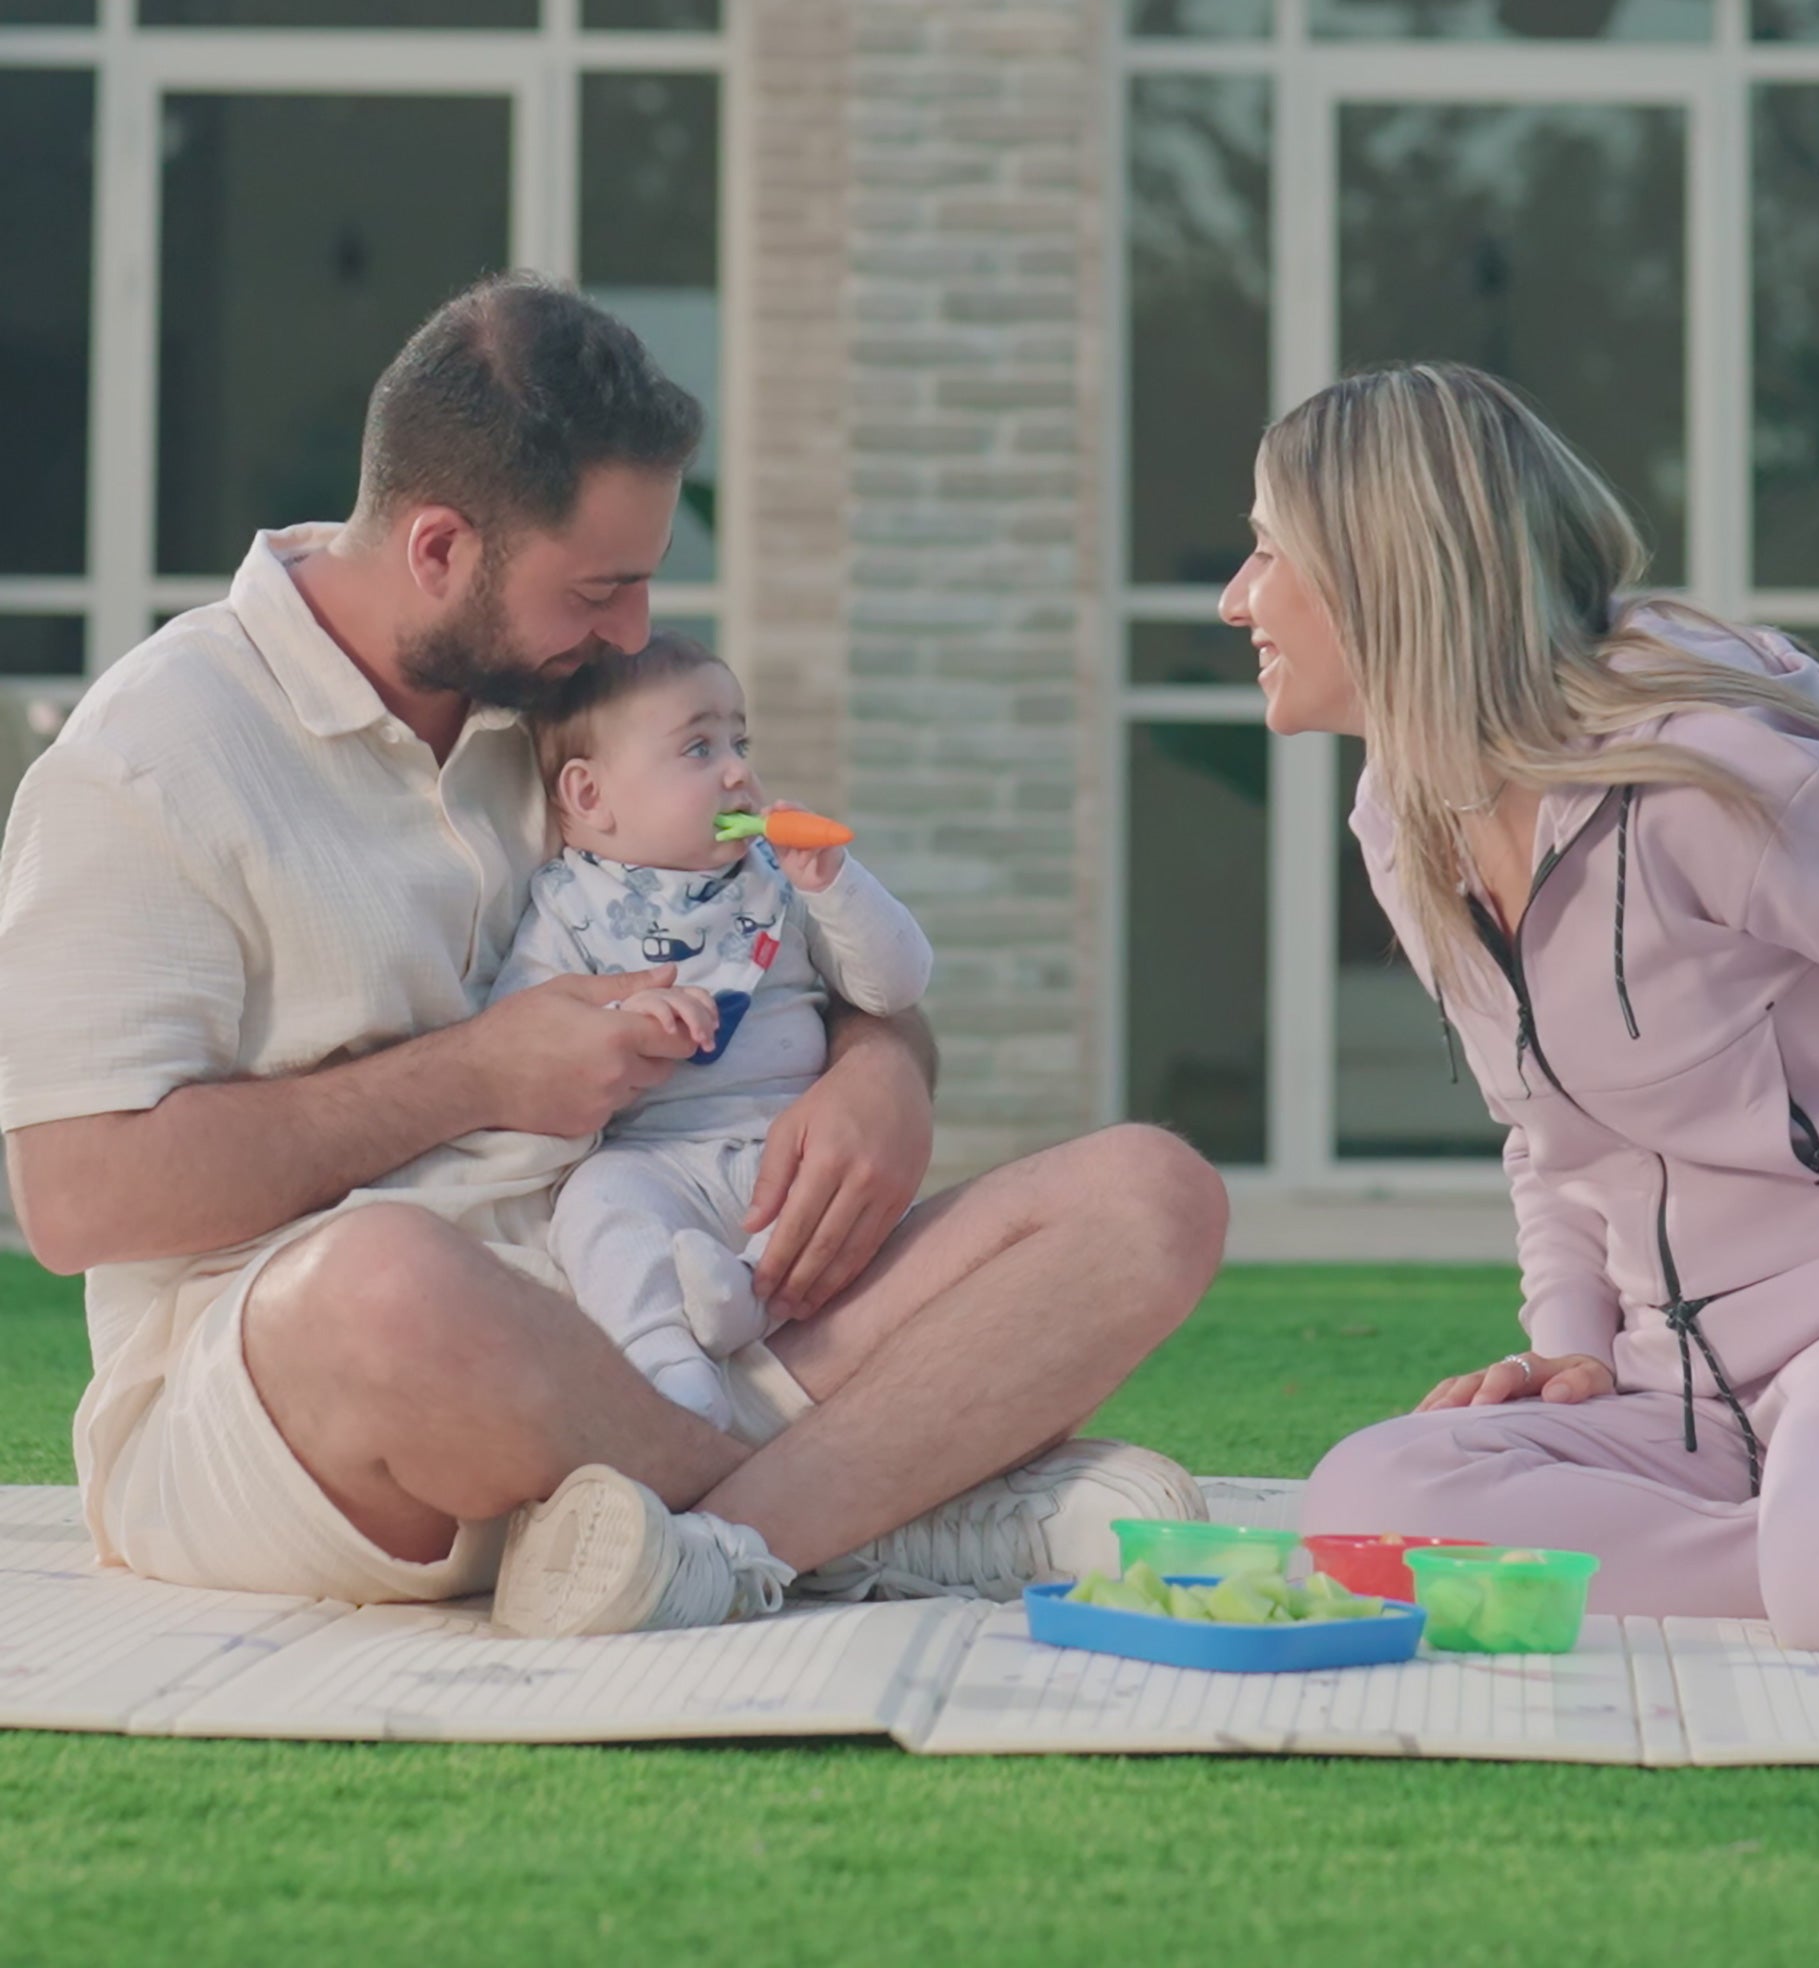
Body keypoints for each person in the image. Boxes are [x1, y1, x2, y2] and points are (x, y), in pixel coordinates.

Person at [0, 272, 1222, 1641]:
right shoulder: (148, 761)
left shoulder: (563, 713)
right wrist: (474, 1075)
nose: (634, 633)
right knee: (385, 1280)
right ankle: (878, 1514)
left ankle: (706, 1536)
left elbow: (795, 933)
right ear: (440, 548)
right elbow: (77, 1197)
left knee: (1149, 1197)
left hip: (680, 1332)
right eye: (601, 587)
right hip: (315, 1395)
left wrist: (884, 1073)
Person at [1220, 361, 1819, 1656]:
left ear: (1381, 569)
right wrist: (1571, 1346)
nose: (1238, 597)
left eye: (1265, 551)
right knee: (1370, 1498)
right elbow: (1548, 1133)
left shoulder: (1717, 784)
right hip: (1677, 1392)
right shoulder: (1405, 818)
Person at [491, 629, 933, 1433]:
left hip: (788, 1152)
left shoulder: (775, 889)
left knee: (870, 1224)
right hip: (659, 1159)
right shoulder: (568, 906)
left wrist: (837, 888)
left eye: (739, 739)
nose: (737, 769)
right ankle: (668, 1369)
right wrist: (624, 1018)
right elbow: (527, 1035)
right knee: (596, 1207)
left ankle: (747, 1303)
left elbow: (896, 985)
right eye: (698, 747)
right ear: (590, 798)